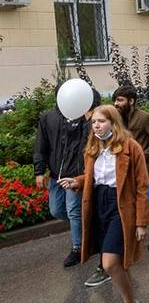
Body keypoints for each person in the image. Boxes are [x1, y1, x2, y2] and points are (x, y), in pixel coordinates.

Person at [58, 105, 149, 303]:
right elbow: (93, 178)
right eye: (94, 122)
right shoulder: (93, 148)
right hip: (99, 204)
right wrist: (77, 182)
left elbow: (142, 186)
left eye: (101, 121)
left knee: (109, 263)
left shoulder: (130, 147)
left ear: (113, 122)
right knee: (117, 261)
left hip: (121, 207)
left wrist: (141, 222)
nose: (96, 126)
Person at [34, 86, 98, 267]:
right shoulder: (48, 118)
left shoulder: (85, 117)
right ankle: (88, 228)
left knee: (73, 211)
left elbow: (91, 140)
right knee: (56, 210)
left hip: (76, 175)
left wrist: (87, 118)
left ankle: (77, 248)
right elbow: (40, 146)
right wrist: (39, 171)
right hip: (56, 175)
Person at [112, 86, 149, 251]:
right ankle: (129, 234)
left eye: (120, 100)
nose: (116, 103)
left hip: (144, 167)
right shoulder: (116, 120)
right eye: (115, 100)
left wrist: (142, 155)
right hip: (123, 168)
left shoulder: (144, 118)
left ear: (131, 101)